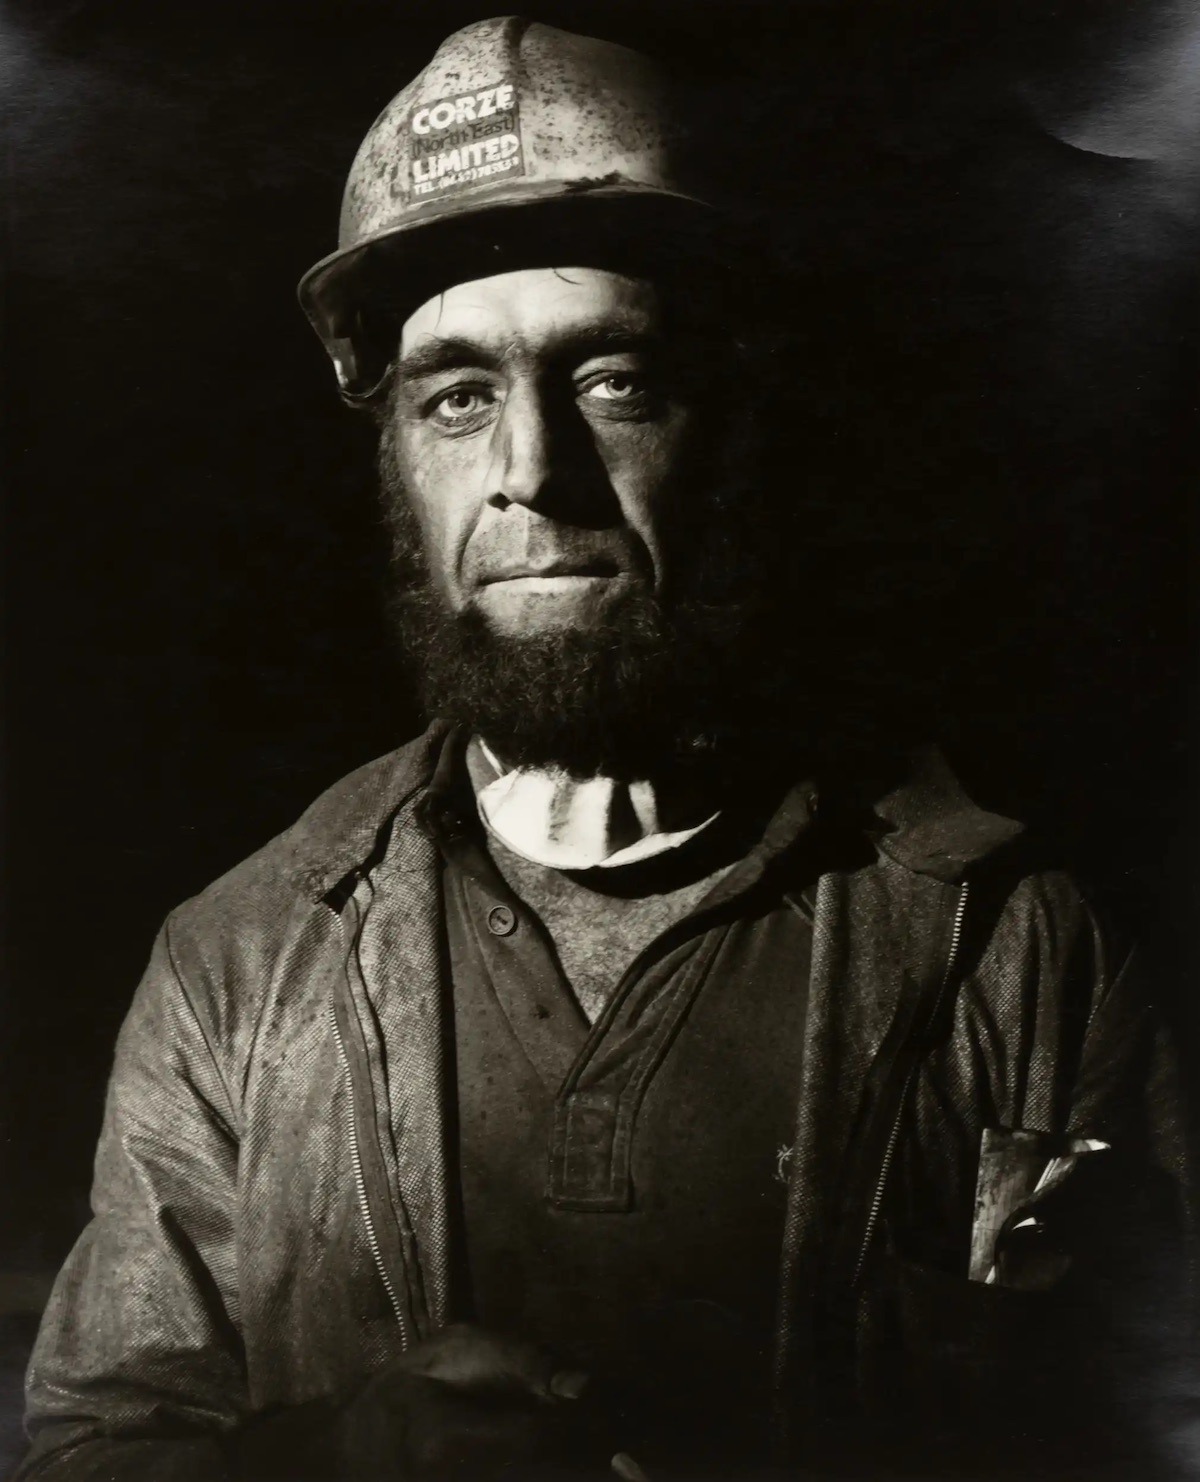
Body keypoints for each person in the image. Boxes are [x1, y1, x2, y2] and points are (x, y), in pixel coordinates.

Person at [16, 16, 1192, 1482]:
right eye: (455, 397)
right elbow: (91, 1451)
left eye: (613, 379)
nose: (530, 474)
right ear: (393, 459)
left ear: (735, 419)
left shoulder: (1015, 946)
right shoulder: (239, 970)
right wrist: (329, 1459)